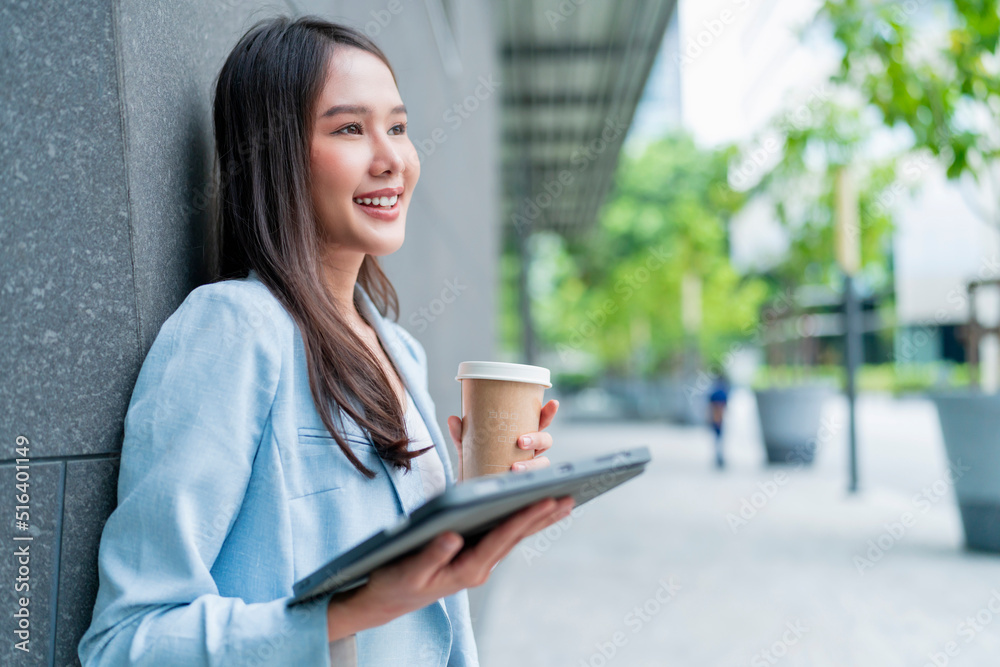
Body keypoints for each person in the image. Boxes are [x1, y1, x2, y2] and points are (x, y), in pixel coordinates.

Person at [78, 15, 573, 667]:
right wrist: (354, 606)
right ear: (275, 153)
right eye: (349, 128)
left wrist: (481, 502)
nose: (391, 158)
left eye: (397, 126)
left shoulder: (400, 349)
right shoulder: (236, 330)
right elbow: (127, 640)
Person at [708, 373, 730, 469]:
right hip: (719, 417)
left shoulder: (715, 392)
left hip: (716, 417)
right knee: (719, 438)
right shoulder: (723, 392)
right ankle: (719, 456)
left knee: (717, 438)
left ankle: (719, 456)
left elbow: (710, 406)